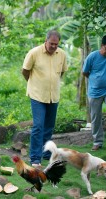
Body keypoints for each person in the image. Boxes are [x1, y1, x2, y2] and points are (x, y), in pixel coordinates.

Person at [22, 30, 67, 167]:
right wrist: (34, 83)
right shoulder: (34, 52)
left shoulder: (62, 54)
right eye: (51, 44)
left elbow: (63, 72)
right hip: (37, 95)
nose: (54, 46)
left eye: (56, 44)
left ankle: (46, 153)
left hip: (53, 96)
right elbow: (25, 71)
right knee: (38, 126)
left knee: (49, 126)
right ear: (46, 41)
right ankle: (35, 158)